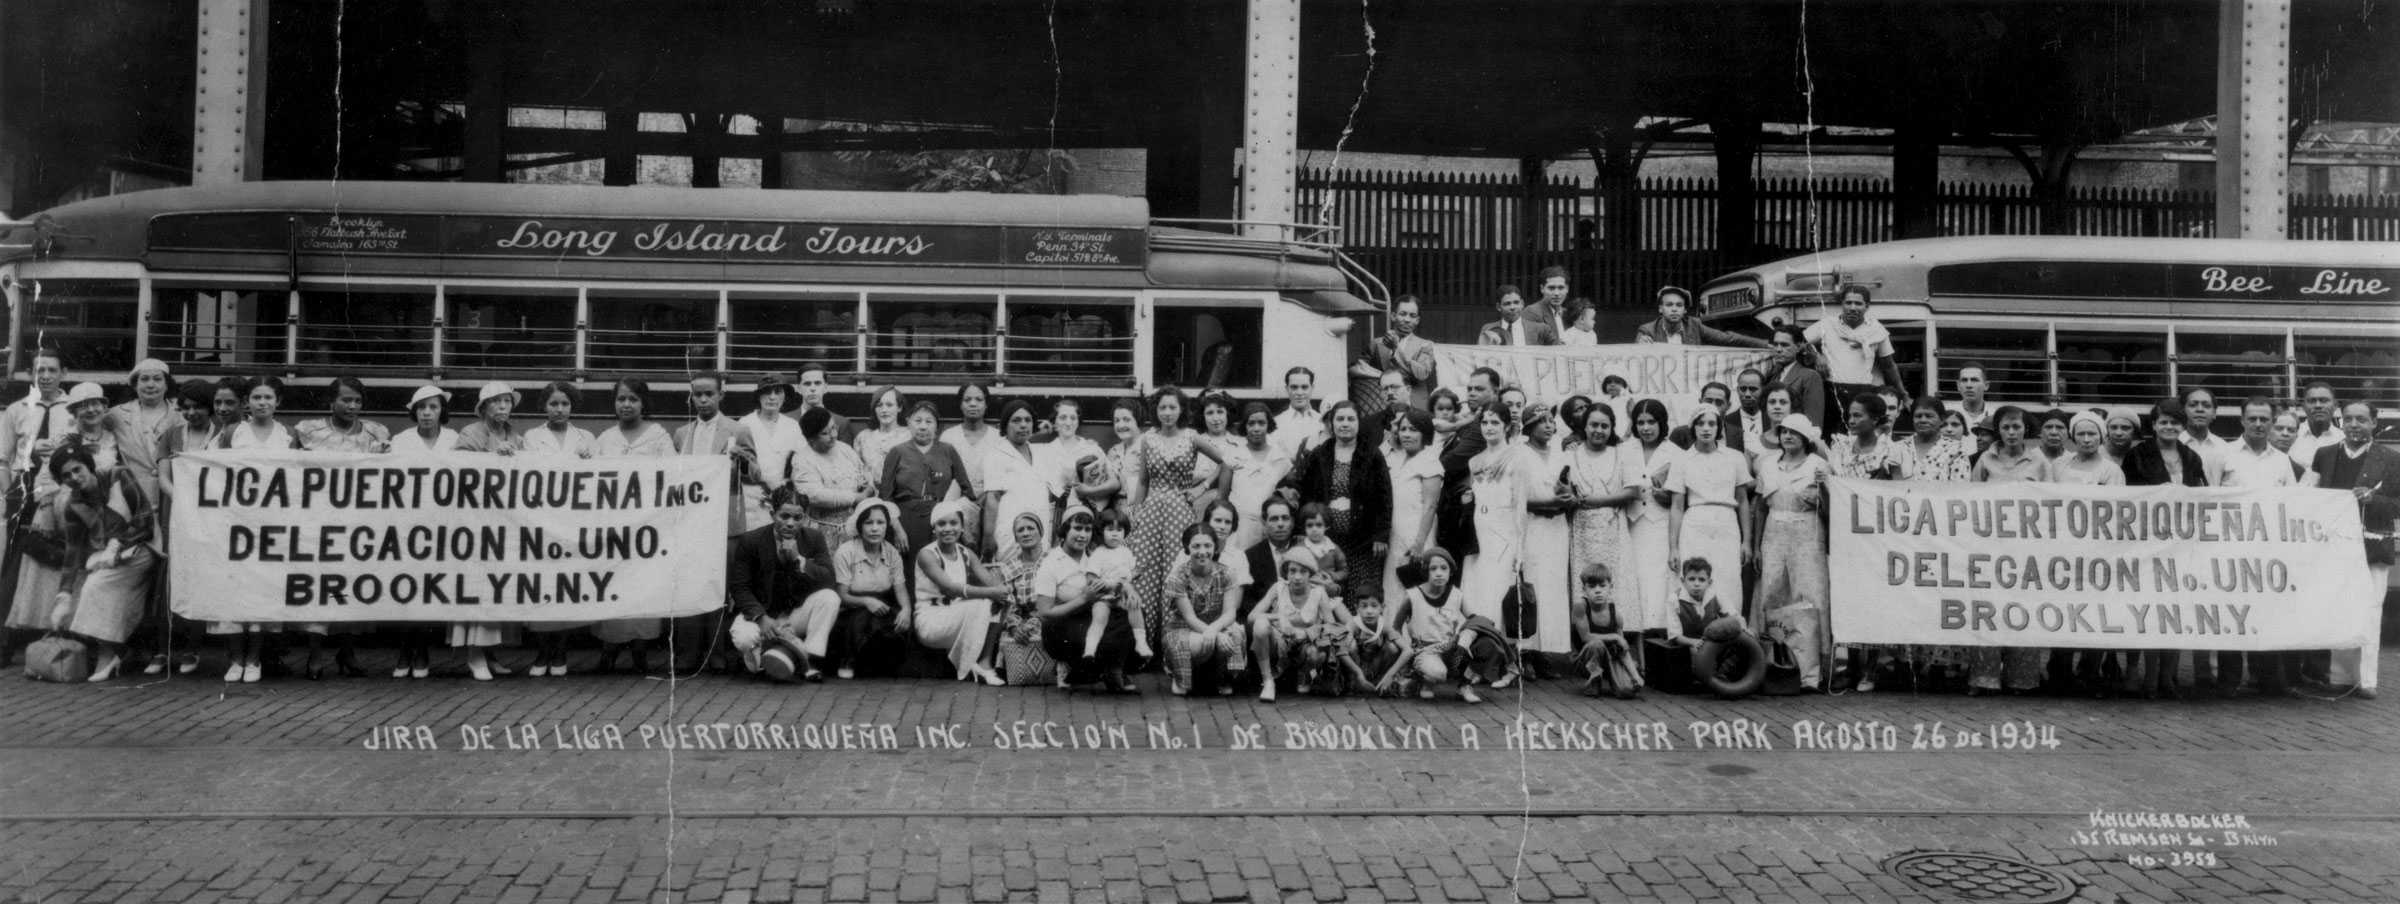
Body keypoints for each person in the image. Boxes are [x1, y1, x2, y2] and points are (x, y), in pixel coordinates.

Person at [290, 376, 390, 678]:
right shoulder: (308, 431)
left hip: (358, 523)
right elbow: (288, 469)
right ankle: (315, 655)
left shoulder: (376, 432)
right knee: (319, 588)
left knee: (351, 589)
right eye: (346, 400)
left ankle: (347, 653)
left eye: (357, 401)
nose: (352, 406)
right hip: (318, 520)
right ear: (331, 401)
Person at [1125, 386, 1226, 657]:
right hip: (1150, 512)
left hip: (1180, 511)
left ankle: (1172, 645)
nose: (1167, 413)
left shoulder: (1191, 437)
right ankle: (1145, 645)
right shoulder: (1148, 439)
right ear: (1155, 411)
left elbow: (1225, 461)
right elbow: (1144, 480)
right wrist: (1134, 513)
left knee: (1175, 571)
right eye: (1162, 408)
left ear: (1181, 410)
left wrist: (1202, 487)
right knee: (1145, 571)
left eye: (1172, 407)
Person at [2118, 399, 2208, 698]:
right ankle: (2139, 672)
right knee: (2144, 608)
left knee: (2174, 609)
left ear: (2183, 426)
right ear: (2154, 425)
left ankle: (2167, 676)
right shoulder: (2137, 455)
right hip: (2145, 542)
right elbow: (2128, 500)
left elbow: (2199, 496)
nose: (2169, 427)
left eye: (2175, 422)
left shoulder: (2191, 457)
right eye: (2163, 422)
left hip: (2180, 544)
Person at [48, 442, 157, 682]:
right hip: (108, 560)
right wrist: (63, 595)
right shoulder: (73, 505)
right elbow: (73, 551)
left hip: (141, 549)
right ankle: (117, 652)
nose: (74, 478)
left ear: (88, 465)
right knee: (89, 589)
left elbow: (144, 521)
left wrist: (117, 545)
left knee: (95, 587)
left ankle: (106, 656)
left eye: (77, 470)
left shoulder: (118, 475)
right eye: (66, 476)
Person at [2312, 401, 2398, 699]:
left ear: (2374, 422)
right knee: (2339, 608)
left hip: (2373, 545)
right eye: (2348, 419)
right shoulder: (2325, 455)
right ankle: (2339, 677)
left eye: (2361, 419)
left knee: (2371, 611)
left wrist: (2374, 499)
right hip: (2334, 546)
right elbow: (2311, 497)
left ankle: (2367, 680)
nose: (2353, 424)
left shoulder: (2390, 459)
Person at [592, 378, 676, 673]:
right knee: (613, 586)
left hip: (645, 527)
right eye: (621, 399)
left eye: (633, 399)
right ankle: (609, 650)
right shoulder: (604, 439)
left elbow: (673, 473)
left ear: (643, 403)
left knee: (642, 587)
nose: (626, 404)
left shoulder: (658, 436)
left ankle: (641, 651)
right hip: (613, 528)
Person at [1967, 406, 2052, 696]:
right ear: (1998, 430)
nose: (2012, 432)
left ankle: (2022, 679)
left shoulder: (2039, 461)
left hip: (2026, 549)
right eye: (2006, 427)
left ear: (2025, 429)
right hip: (1990, 548)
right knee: (1988, 610)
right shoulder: (1985, 460)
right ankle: (1983, 678)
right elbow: (1970, 499)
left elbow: (2052, 502)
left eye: (2017, 427)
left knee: (2023, 610)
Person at [139, 379, 221, 676]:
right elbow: (163, 477)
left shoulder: (222, 435)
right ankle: (161, 650)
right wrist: (183, 499)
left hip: (210, 516)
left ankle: (192, 649)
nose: (191, 413)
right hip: (176, 513)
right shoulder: (171, 435)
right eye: (185, 407)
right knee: (168, 581)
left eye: (197, 406)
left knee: (199, 579)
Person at [518, 381, 596, 676]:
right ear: (544, 407)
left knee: (566, 589)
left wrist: (591, 464)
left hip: (573, 524)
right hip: (542, 523)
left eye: (564, 403)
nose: (559, 409)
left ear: (572, 406)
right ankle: (542, 652)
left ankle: (560, 650)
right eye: (553, 404)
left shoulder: (586, 437)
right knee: (541, 589)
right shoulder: (532, 437)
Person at [1281, 401, 1391, 607]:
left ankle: (1360, 634)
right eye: (1340, 419)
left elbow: (1384, 497)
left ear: (1359, 423)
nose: (1345, 424)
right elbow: (1305, 492)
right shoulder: (1320, 454)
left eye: (1351, 419)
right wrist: (1302, 530)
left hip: (1363, 539)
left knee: (1362, 589)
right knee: (1327, 588)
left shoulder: (1372, 454)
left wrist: (1381, 535)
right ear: (1331, 423)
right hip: (1326, 538)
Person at [450, 381, 525, 680]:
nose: (503, 407)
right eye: (496, 402)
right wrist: (493, 458)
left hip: (504, 523)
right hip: (476, 523)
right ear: (484, 407)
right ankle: (474, 654)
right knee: (477, 588)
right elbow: (459, 469)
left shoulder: (516, 437)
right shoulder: (470, 433)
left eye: (507, 401)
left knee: (499, 588)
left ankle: (491, 652)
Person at [726, 485, 841, 683]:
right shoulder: (751, 540)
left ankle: (809, 659)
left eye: (798, 518)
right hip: (763, 615)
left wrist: (799, 559)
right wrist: (761, 618)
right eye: (784, 516)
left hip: (794, 616)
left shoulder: (813, 538)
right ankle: (771, 657)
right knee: (744, 637)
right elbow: (739, 587)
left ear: (805, 518)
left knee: (830, 598)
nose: (790, 523)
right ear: (772, 514)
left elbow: (829, 579)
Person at [1750, 413, 1830, 691]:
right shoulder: (1767, 465)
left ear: (1806, 438)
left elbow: (1831, 510)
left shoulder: (1819, 465)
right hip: (1774, 533)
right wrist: (1758, 544)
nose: (1788, 436)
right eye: (1784, 431)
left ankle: (1809, 674)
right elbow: (1760, 507)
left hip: (1807, 534)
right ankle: (1773, 668)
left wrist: (1825, 487)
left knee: (1806, 598)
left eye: (1794, 432)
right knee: (1772, 595)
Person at [1459, 405, 1532, 688]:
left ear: (1506, 426)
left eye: (1495, 422)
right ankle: (1482, 664)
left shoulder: (1517, 457)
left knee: (1496, 601)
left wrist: (1520, 548)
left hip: (1504, 533)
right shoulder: (1475, 461)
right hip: (1479, 533)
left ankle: (1511, 666)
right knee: (1475, 600)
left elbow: (1520, 505)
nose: (1489, 427)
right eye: (1485, 422)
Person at [1379, 547, 1508, 703]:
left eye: (1443, 568)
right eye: (1433, 569)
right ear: (1426, 571)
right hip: (1426, 650)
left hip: (1451, 648)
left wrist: (1468, 635)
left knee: (1487, 644)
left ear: (1450, 571)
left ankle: (1464, 686)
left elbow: (1475, 619)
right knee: (1437, 673)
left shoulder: (1456, 594)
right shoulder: (1413, 595)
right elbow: (1396, 627)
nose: (1439, 573)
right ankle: (1425, 681)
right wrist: (1405, 652)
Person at [908, 498, 1010, 686]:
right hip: (931, 622)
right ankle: (969, 663)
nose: (948, 529)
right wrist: (991, 592)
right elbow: (949, 588)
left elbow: (990, 583)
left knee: (998, 602)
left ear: (962, 527)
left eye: (954, 523)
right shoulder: (927, 554)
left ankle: (985, 663)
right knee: (983, 601)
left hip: (957, 618)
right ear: (934, 528)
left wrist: (1002, 588)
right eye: (941, 524)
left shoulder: (966, 553)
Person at [1664, 407, 1752, 617]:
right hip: (1695, 523)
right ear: (1692, 428)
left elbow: (1742, 500)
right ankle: (1697, 636)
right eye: (1700, 423)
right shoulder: (1682, 460)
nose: (1706, 429)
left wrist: (1746, 541)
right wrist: (1673, 547)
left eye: (1712, 424)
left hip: (1726, 523)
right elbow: (1677, 506)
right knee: (1695, 579)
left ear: (1719, 427)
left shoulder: (1734, 457)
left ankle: (1730, 632)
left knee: (1728, 578)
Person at [1035, 510, 1135, 693]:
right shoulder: (1051, 563)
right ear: (1064, 530)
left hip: (1092, 615)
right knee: (1099, 638)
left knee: (1128, 618)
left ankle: (1113, 669)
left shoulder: (1095, 555)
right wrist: (1083, 598)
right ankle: (1070, 666)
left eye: (1088, 529)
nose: (1083, 535)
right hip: (1062, 624)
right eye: (1077, 528)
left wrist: (1123, 587)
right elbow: (1044, 613)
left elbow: (1111, 585)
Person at [1514, 404, 1577, 670]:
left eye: (1552, 420)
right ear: (1529, 426)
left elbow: (1572, 491)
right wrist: (1548, 503)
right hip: (1531, 526)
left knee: (1552, 588)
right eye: (1543, 421)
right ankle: (1525, 652)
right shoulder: (1519, 454)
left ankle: (1546, 653)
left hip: (1556, 528)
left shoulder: (1564, 456)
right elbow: (1517, 499)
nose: (1549, 425)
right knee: (1531, 586)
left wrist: (1567, 500)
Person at [881, 400, 975, 563]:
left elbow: (967, 491)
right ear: (908, 422)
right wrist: (897, 529)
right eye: (918, 421)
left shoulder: (948, 451)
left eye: (929, 421)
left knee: (942, 569)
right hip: (906, 522)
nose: (923, 426)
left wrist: (954, 522)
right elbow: (885, 497)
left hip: (942, 523)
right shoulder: (896, 452)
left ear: (937, 426)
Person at [1162, 523, 1246, 696]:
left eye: (1207, 545)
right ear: (1187, 547)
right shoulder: (1178, 577)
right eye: (1196, 546)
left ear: (1215, 548)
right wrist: (1216, 635)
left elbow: (1230, 613)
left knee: (1236, 633)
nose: (1202, 551)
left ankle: (1223, 677)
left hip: (1215, 626)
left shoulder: (1227, 573)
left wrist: (1215, 631)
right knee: (1198, 643)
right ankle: (1180, 677)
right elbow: (1190, 618)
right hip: (1184, 629)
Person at [829, 499, 908, 679]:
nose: (874, 528)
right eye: (868, 523)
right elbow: (842, 594)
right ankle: (848, 659)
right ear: (859, 526)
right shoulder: (846, 552)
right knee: (861, 622)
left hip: (882, 605)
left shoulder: (891, 552)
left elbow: (900, 588)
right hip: (852, 607)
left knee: (897, 625)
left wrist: (906, 610)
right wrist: (866, 601)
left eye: (880, 523)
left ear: (887, 526)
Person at [1622, 399, 1681, 638]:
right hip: (1633, 523)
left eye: (1651, 422)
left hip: (1661, 523)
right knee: (1636, 577)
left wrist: (1665, 495)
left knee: (1658, 579)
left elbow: (1679, 496)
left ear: (1662, 423)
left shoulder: (1675, 453)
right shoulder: (1625, 450)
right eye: (1640, 423)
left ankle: (1660, 634)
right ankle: (1636, 634)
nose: (1646, 428)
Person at [1805, 284, 1909, 418]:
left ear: (1867, 306)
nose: (1852, 308)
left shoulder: (1877, 329)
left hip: (1864, 392)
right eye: (1848, 303)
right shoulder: (1827, 324)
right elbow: (1801, 341)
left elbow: (1889, 365)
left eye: (1858, 303)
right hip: (1832, 390)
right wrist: (1817, 356)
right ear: (1842, 304)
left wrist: (1903, 394)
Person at [672, 372, 756, 539]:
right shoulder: (681, 434)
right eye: (698, 394)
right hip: (690, 516)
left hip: (724, 519)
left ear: (721, 395)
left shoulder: (738, 430)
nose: (703, 400)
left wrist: (743, 460)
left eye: (709, 394)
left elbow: (756, 475)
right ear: (692, 397)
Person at [1383, 407, 1444, 610]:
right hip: (1395, 534)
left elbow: (1430, 505)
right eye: (1403, 429)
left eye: (1413, 429)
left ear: (1425, 433)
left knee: (1415, 589)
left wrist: (1419, 543)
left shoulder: (1430, 461)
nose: (1407, 434)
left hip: (1416, 536)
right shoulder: (1397, 458)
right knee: (1393, 587)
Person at [789, 406, 875, 548]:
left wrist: (868, 485)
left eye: (834, 428)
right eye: (825, 433)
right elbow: (815, 495)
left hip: (854, 527)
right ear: (811, 439)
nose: (834, 435)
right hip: (821, 531)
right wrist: (856, 497)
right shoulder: (802, 459)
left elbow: (863, 472)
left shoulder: (844, 449)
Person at [979, 400, 1052, 558]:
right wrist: (988, 537)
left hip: (1040, 529)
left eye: (1028, 420)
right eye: (1016, 420)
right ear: (1005, 425)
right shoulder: (996, 455)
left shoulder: (1039, 453)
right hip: (1009, 533)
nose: (1023, 425)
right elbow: (993, 499)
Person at [738, 373, 808, 533]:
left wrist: (785, 489)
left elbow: (801, 461)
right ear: (759, 397)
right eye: (767, 392)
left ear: (784, 397)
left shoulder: (792, 426)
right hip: (753, 498)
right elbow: (740, 463)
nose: (772, 397)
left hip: (782, 499)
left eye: (778, 392)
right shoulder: (745, 423)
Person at [1080, 509, 1150, 666]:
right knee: (1099, 617)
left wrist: (1135, 574)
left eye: (1119, 530)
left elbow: (1129, 574)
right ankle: (1090, 648)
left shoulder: (1126, 552)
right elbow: (1091, 577)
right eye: (1110, 530)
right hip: (1103, 596)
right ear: (1101, 532)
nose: (1115, 534)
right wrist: (1101, 583)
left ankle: (1141, 642)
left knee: (1134, 606)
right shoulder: (1099, 553)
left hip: (1120, 595)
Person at [990, 511, 1053, 686]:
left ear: (1041, 533)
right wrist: (1015, 627)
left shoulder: (1053, 561)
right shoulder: (1009, 567)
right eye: (1020, 530)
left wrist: (1034, 623)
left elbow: (1055, 599)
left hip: (1047, 618)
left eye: (1031, 528)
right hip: (1020, 623)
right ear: (1016, 537)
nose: (1026, 533)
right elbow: (1008, 605)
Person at [1224, 402, 1295, 552]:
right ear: (1245, 426)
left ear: (1268, 425)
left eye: (1261, 423)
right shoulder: (1234, 455)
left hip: (1270, 525)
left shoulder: (1280, 457)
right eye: (1251, 423)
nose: (1256, 428)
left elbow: (1292, 488)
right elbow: (1222, 497)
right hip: (1240, 526)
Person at [939, 383, 1006, 541]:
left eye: (979, 399)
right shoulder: (949, 436)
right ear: (960, 404)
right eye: (967, 399)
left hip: (991, 505)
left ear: (986, 404)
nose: (973, 404)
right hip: (956, 506)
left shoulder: (998, 438)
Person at [1571, 563, 1642, 699]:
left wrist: (1635, 676)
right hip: (1583, 660)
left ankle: (1614, 678)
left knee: (1626, 691)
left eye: (1602, 586)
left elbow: (1622, 649)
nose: (1598, 591)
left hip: (1608, 658)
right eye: (1592, 587)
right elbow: (1586, 637)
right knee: (1596, 644)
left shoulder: (1616, 614)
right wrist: (1615, 636)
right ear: (1584, 589)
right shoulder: (1580, 606)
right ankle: (1594, 682)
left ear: (1611, 587)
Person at [1362, 295, 1438, 408]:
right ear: (1393, 316)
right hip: (1382, 404)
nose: (1407, 320)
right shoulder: (1376, 343)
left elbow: (1422, 374)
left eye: (1412, 316)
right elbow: (1359, 368)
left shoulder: (1426, 345)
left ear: (1417, 320)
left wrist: (1396, 349)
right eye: (1403, 314)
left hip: (1415, 405)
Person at [1634, 287, 1768, 347]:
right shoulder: (1647, 330)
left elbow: (1728, 338)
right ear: (1660, 309)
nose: (1674, 309)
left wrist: (1764, 344)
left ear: (1685, 310)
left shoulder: (1694, 325)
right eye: (1669, 305)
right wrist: (1640, 345)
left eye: (1679, 305)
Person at [1032, 399, 1102, 514]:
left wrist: (1090, 491)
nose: (1068, 423)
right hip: (1052, 514)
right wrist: (1039, 432)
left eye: (1073, 418)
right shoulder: (1044, 450)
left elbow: (1112, 482)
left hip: (1084, 514)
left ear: (1078, 421)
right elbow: (1011, 447)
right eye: (1063, 417)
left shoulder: (1091, 448)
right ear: (1054, 422)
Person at [1241, 496, 1302, 619]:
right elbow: (1247, 603)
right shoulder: (1250, 556)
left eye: (1285, 518)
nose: (1280, 524)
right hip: (1266, 621)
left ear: (1292, 522)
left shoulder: (1303, 550)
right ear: (1264, 522)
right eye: (1274, 519)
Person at [1766, 326, 1830, 437]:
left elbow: (1814, 424)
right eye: (1775, 344)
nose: (1779, 349)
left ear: (1799, 346)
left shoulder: (1809, 376)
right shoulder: (1774, 375)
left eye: (1785, 345)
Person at [852, 385, 910, 488]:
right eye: (879, 405)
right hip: (869, 494)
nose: (884, 410)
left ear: (899, 408)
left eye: (889, 405)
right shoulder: (863, 437)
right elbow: (856, 470)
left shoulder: (909, 435)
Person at [2178, 386, 2235, 486]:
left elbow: (2230, 488)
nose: (2200, 409)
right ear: (2183, 411)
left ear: (2214, 413)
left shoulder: (2223, 447)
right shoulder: (2173, 444)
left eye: (2206, 406)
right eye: (2193, 405)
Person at [1272, 367, 1326, 458]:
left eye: (1304, 387)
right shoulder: (1276, 423)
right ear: (1287, 389)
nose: (1299, 392)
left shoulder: (1323, 422)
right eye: (1294, 387)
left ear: (1312, 388)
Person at [2288, 381, 2343, 471]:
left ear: (2335, 405)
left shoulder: (2342, 439)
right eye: (2312, 401)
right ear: (2303, 406)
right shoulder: (2291, 435)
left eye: (2324, 401)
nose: (2318, 405)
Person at [1478, 284, 1557, 346]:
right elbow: (1480, 355)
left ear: (1522, 304)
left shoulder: (1541, 329)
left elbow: (1558, 351)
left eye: (1516, 302)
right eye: (1507, 304)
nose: (1512, 307)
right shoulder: (1489, 328)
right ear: (1498, 307)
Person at [793, 363, 852, 442]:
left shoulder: (841, 423)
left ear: (825, 387)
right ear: (799, 388)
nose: (812, 388)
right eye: (807, 384)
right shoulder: (786, 420)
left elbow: (844, 453)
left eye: (817, 383)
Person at [1526, 266, 1573, 338]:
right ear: (1542, 289)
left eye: (1561, 288)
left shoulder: (1568, 314)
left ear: (1567, 289)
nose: (1556, 293)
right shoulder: (1532, 312)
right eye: (1551, 288)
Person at [1951, 362, 1996, 432]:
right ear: (1958, 385)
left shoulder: (1995, 415)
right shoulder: (1949, 415)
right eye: (1964, 380)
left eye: (1974, 380)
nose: (1969, 385)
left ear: (1986, 385)